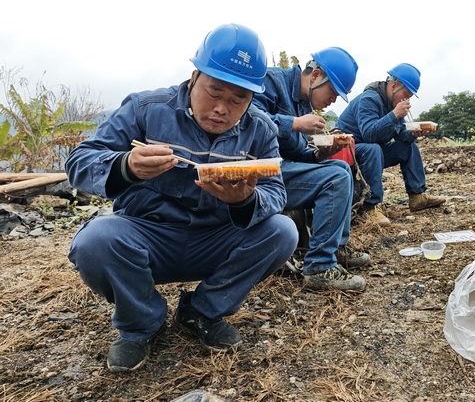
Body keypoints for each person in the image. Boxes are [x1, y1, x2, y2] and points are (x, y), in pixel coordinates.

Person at [65, 24, 298, 373]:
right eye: (214, 91)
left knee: (283, 231)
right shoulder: (146, 109)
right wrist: (126, 166)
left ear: (252, 98)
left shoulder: (260, 128)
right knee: (96, 240)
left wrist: (244, 200)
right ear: (193, 78)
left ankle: (203, 311)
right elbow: (79, 160)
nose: (222, 108)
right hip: (148, 237)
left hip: (216, 238)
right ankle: (143, 323)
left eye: (238, 99)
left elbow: (276, 191)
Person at [252, 47, 369, 292]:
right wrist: (293, 123)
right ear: (315, 75)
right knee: (335, 177)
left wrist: (320, 154)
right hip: (256, 172)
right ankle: (319, 267)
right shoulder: (271, 82)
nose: (333, 100)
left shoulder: (304, 106)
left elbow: (295, 154)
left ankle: (336, 247)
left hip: (280, 168)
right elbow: (246, 121)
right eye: (333, 92)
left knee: (339, 167)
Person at [336, 63, 445, 223]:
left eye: (410, 96)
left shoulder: (393, 104)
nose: (407, 99)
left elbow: (401, 134)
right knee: (373, 148)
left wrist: (413, 134)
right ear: (394, 85)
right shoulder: (369, 99)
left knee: (408, 147)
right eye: (406, 94)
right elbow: (369, 134)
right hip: (350, 153)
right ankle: (370, 207)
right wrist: (394, 114)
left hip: (373, 155)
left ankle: (417, 196)